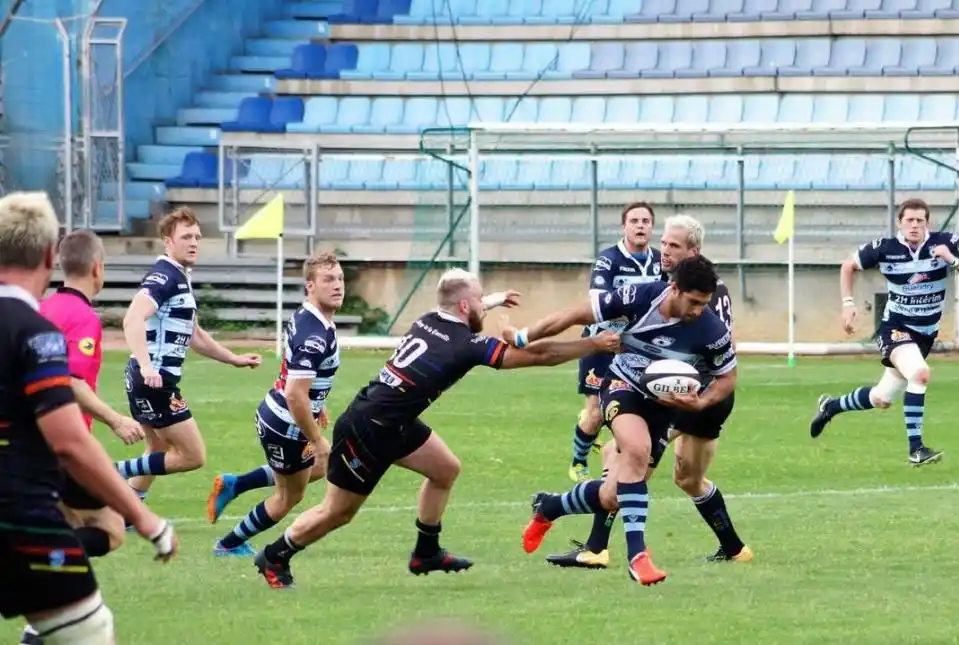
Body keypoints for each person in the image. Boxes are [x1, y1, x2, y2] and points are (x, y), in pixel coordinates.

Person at [252, 268, 619, 589]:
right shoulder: (465, 345)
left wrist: (490, 300)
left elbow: (457, 302)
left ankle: (426, 552)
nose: (482, 307)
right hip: (369, 429)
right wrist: (592, 344)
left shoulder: (429, 318)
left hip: (393, 420)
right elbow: (540, 354)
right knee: (338, 512)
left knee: (445, 469)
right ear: (465, 306)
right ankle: (274, 555)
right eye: (479, 301)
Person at [0, 191, 177, 644]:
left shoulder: (43, 315)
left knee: (103, 528)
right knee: (91, 627)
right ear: (48, 256)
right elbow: (68, 439)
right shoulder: (35, 330)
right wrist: (146, 518)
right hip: (21, 504)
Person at [511, 255, 737, 585]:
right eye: (693, 302)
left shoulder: (711, 330)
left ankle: (550, 507)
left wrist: (700, 402)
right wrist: (523, 336)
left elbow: (727, 377)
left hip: (665, 407)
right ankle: (638, 557)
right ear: (674, 289)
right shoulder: (639, 297)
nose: (698, 310)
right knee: (637, 449)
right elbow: (574, 314)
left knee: (613, 495)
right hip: (621, 386)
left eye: (704, 303)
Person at [545, 215, 752, 570]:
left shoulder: (700, 292)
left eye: (674, 245)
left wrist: (691, 393)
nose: (664, 250)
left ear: (694, 252)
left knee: (625, 460)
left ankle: (594, 546)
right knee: (685, 478)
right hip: (684, 391)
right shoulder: (681, 285)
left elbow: (718, 354)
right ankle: (734, 548)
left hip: (690, 392)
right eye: (664, 243)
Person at [19, 230, 146, 644]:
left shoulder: (42, 306)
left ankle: (38, 627)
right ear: (97, 268)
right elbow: (70, 380)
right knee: (111, 528)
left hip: (29, 441)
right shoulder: (82, 317)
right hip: (61, 445)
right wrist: (115, 420)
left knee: (70, 525)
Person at [114, 207, 262, 505]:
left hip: (146, 378)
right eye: (186, 237)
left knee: (156, 450)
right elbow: (132, 319)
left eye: (197, 237)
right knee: (192, 456)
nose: (194, 242)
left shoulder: (180, 277)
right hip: (154, 381)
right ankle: (106, 472)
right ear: (168, 241)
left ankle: (127, 510)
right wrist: (147, 366)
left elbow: (195, 335)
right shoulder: (164, 276)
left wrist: (232, 359)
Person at [810, 198, 959, 465]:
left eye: (920, 220)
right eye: (909, 220)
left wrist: (951, 260)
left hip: (925, 334)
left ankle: (831, 406)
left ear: (927, 223)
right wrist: (848, 303)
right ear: (900, 223)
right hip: (896, 328)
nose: (915, 225)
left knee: (881, 397)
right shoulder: (885, 248)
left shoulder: (947, 243)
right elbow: (848, 266)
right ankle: (916, 450)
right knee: (920, 374)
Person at [206, 252, 345, 557]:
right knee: (288, 497)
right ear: (310, 286)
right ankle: (228, 544)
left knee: (318, 467)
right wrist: (317, 439)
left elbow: (300, 377)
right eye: (328, 280)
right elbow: (295, 394)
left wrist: (317, 403)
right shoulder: (314, 334)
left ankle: (236, 484)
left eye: (339, 279)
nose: (337, 285)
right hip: (286, 425)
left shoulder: (311, 317)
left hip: (278, 413)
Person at [569, 202, 663, 483]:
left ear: (652, 227)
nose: (640, 226)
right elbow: (599, 300)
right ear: (624, 227)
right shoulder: (608, 260)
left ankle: (617, 462)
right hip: (602, 343)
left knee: (633, 408)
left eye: (645, 221)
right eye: (634, 221)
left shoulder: (659, 262)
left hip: (636, 346)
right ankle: (578, 461)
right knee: (595, 415)